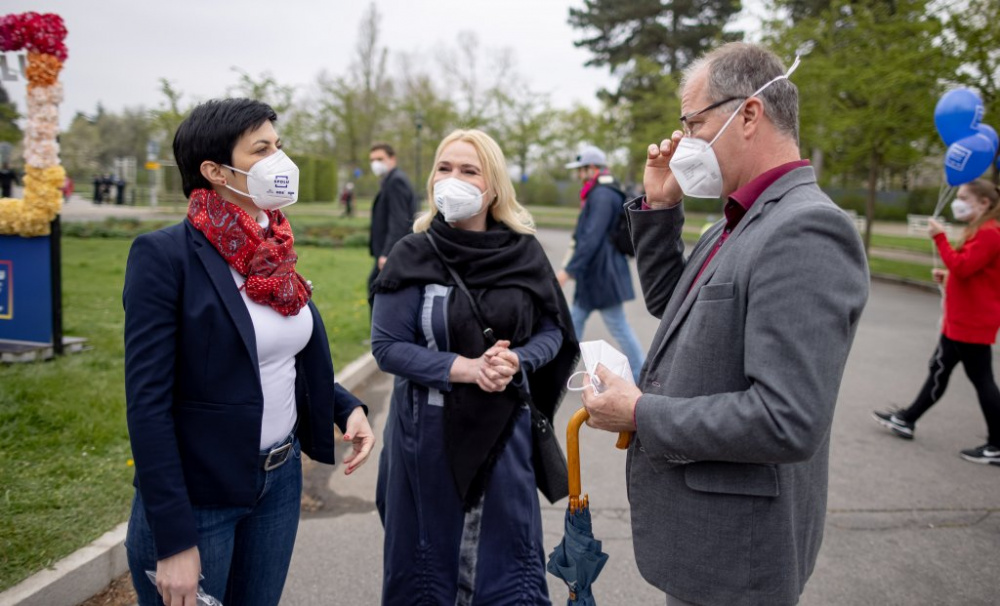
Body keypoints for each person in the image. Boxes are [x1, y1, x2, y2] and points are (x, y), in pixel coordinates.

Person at [579, 43, 869, 606]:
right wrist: (661, 209)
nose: (682, 140)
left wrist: (640, 411)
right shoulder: (738, 221)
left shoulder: (805, 229)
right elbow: (676, 306)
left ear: (750, 114)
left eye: (693, 122)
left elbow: (786, 420)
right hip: (711, 547)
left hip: (740, 559)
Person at [122, 98, 375, 606]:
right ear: (214, 170)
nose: (281, 161)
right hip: (201, 495)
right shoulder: (165, 257)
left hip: (278, 484)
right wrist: (174, 541)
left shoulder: (274, 249)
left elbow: (280, 356)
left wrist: (345, 406)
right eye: (262, 149)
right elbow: (147, 405)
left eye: (278, 146)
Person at [371, 129, 579, 605]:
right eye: (444, 168)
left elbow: (553, 333)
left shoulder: (525, 253)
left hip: (505, 437)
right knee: (427, 566)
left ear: (493, 186)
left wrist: (515, 359)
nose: (453, 179)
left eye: (468, 170)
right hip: (425, 437)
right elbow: (387, 346)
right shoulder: (413, 252)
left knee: (505, 565)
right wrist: (466, 368)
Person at [873, 179, 1000, 464]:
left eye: (965, 197)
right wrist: (948, 276)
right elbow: (969, 270)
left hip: (971, 322)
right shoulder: (982, 231)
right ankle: (907, 418)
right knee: (939, 371)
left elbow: (964, 267)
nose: (959, 201)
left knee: (980, 380)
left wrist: (939, 238)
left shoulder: (990, 233)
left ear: (984, 203)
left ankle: (997, 443)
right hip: (961, 320)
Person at [558, 145, 645, 381]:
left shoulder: (603, 194)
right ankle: (559, 367)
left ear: (593, 168)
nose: (578, 174)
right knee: (575, 320)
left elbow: (591, 236)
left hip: (602, 275)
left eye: (581, 169)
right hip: (596, 274)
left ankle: (642, 373)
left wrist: (570, 270)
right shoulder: (597, 191)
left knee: (618, 326)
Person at [368, 143, 418, 309]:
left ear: (392, 159)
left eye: (380, 159)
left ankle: (380, 333)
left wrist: (387, 253)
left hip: (390, 252)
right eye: (372, 160)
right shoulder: (390, 180)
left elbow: (399, 220)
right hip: (387, 250)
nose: (375, 163)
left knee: (377, 291)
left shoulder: (396, 181)